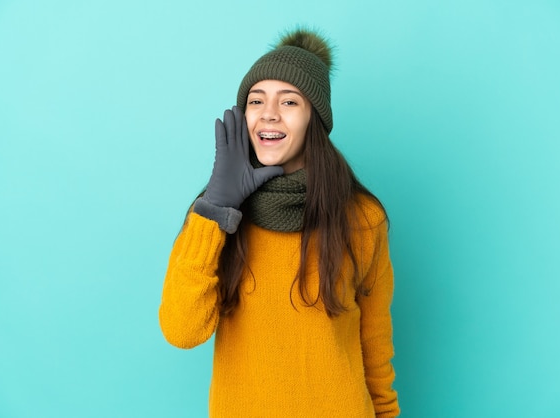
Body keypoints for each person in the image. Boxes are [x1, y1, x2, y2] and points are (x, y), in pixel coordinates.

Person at [159, 28, 400, 417]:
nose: (269, 112)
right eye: (257, 100)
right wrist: (216, 211)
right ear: (244, 117)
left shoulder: (362, 218)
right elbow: (182, 331)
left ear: (314, 119)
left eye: (289, 101)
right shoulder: (212, 217)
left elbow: (374, 344)